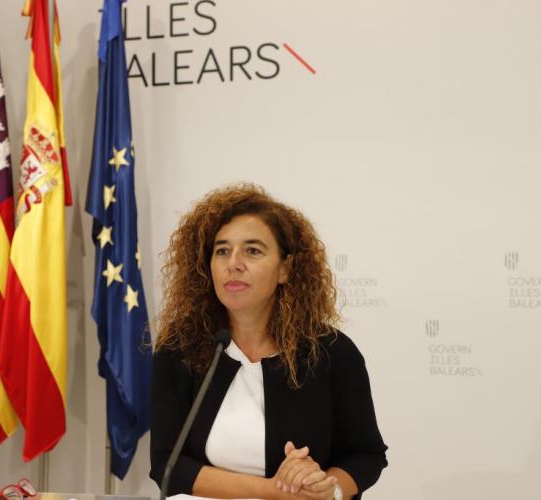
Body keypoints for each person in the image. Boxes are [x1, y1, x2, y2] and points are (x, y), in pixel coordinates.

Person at [149, 184, 387, 500]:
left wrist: (328, 489)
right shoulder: (181, 348)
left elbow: (366, 455)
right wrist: (276, 492)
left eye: (252, 251)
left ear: (285, 269)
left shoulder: (331, 352)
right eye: (222, 251)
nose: (234, 263)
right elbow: (168, 464)